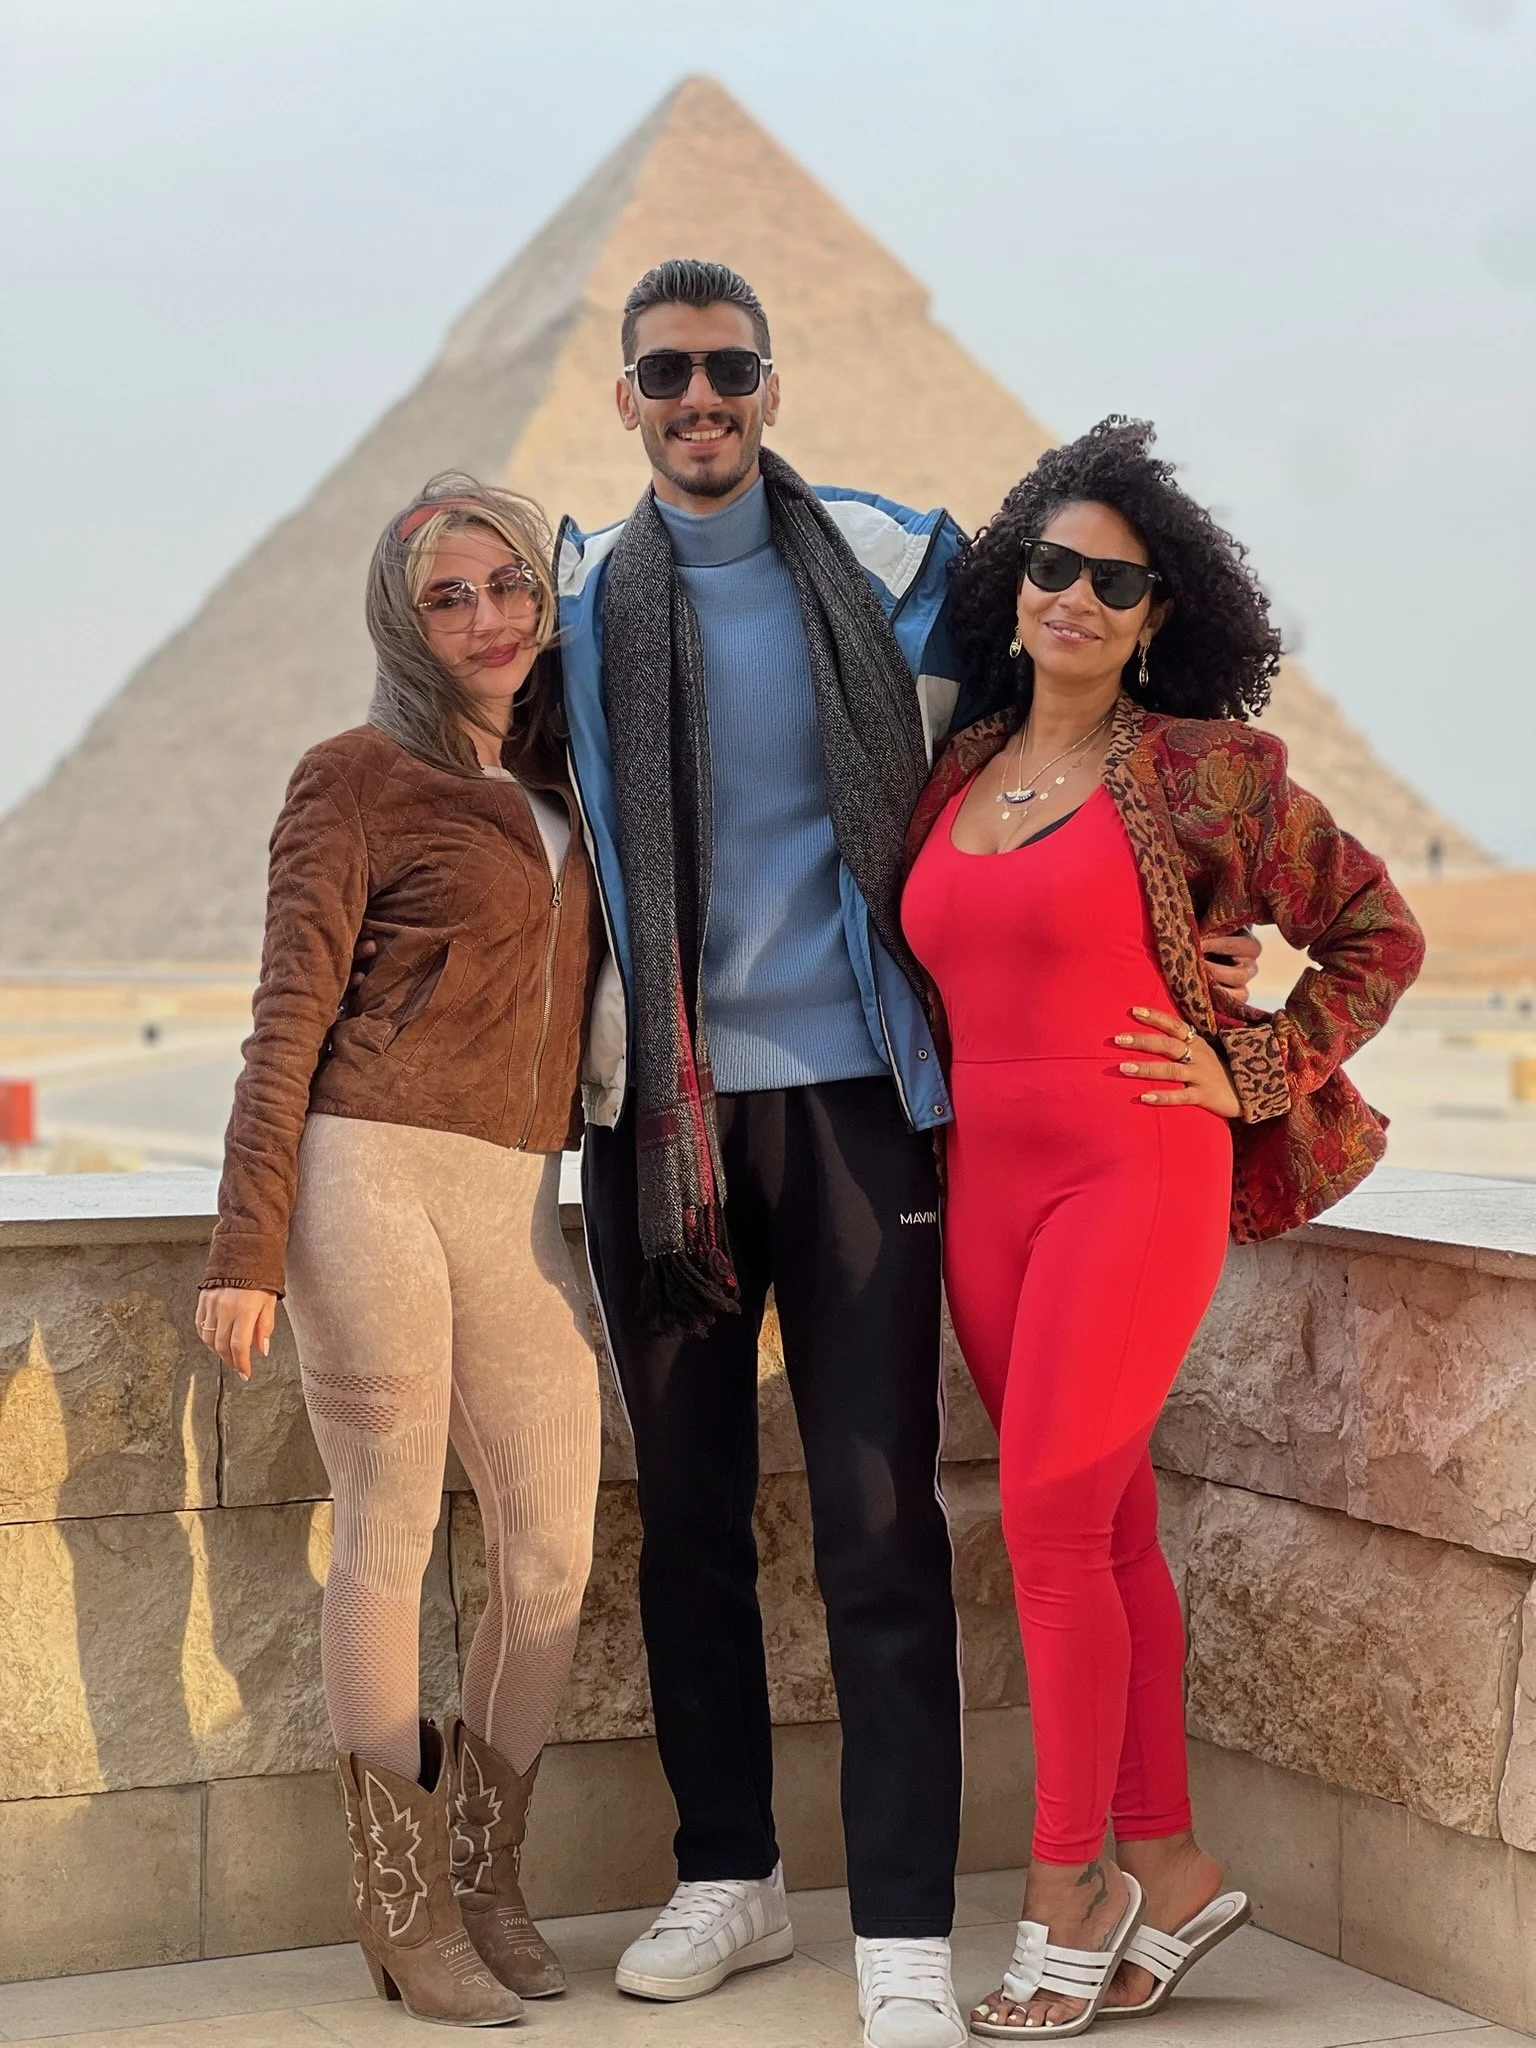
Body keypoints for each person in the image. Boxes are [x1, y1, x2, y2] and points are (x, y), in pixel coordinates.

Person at [555, 265, 1263, 2048]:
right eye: (667, 374)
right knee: (691, 1515)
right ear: (624, 394)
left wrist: (1226, 949)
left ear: (772, 385)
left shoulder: (895, 560)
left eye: (728, 370)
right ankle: (728, 1874)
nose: (699, 399)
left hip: (867, 1097)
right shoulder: (570, 599)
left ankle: (892, 1933)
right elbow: (476, 770)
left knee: (882, 1520)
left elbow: (1092, 678)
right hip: (666, 1115)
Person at [901, 417, 1425, 2037]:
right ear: (1011, 585)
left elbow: (1375, 932)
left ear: (1155, 614)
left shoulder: (1208, 775)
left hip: (1137, 1170)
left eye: (1112, 581)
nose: (1074, 594)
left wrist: (1249, 1058)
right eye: (1050, 563)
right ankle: (1179, 1868)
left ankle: (1072, 1886)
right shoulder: (957, 767)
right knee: (1106, 1526)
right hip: (986, 1190)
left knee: (1050, 1526)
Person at [196, 475, 603, 2028]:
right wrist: (247, 1246)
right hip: (365, 1176)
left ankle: (487, 1877)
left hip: (520, 1196)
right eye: (449, 596)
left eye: (509, 584)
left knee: (552, 1548)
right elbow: (287, 1015)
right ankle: (402, 1909)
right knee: (389, 1528)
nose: (489, 617)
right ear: (403, 618)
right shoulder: (354, 776)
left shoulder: (576, 781)